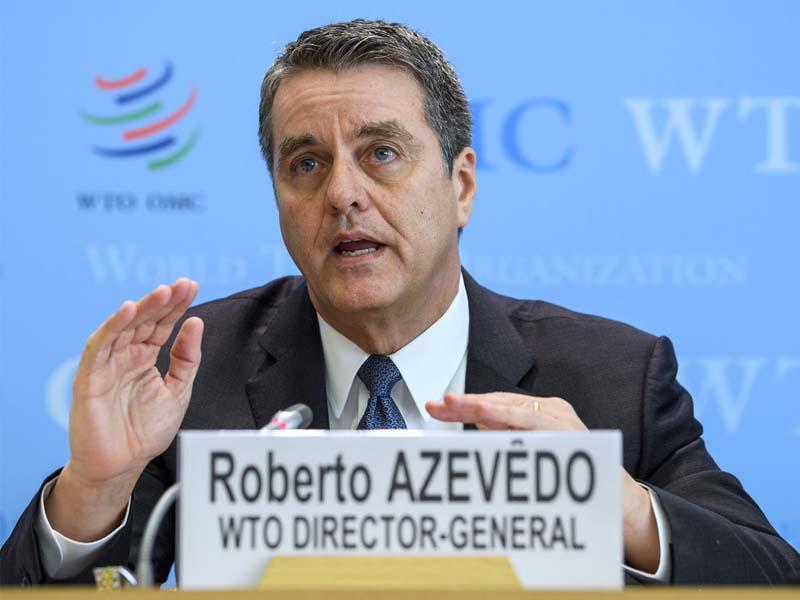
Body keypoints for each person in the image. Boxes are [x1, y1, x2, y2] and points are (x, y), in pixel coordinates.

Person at [1, 19, 798, 586]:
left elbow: (772, 577)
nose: (343, 194)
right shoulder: (192, 372)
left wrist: (614, 505)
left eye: (381, 153)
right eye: (305, 163)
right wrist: (96, 488)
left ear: (461, 185)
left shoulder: (613, 375)